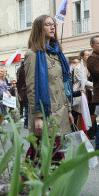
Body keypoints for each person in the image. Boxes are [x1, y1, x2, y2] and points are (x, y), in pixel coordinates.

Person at [24, 15, 73, 163]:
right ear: (39, 28)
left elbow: (64, 85)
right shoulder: (32, 54)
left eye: (54, 25)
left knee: (41, 153)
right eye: (48, 24)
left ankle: (26, 182)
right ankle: (46, 184)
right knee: (50, 154)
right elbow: (32, 88)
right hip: (46, 112)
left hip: (61, 111)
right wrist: (38, 116)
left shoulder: (57, 53)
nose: (53, 27)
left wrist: (69, 110)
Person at [72, 50, 94, 129]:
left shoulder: (90, 67)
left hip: (90, 93)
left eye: (89, 54)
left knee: (90, 113)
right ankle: (76, 133)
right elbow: (83, 82)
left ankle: (88, 132)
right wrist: (96, 86)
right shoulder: (78, 68)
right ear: (82, 57)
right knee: (77, 115)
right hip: (80, 93)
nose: (89, 56)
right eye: (87, 55)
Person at [16, 61, 28, 128]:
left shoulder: (20, 69)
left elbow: (18, 84)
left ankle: (26, 123)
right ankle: (26, 123)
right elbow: (19, 83)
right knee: (27, 107)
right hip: (25, 91)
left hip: (24, 91)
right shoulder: (22, 70)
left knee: (27, 107)